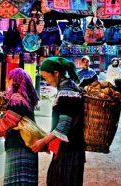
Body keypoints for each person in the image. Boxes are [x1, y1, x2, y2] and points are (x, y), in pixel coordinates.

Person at [31, 57, 85, 186]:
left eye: (46, 77)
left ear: (56, 73)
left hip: (69, 150)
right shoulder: (68, 88)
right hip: (68, 148)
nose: (46, 81)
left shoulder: (67, 92)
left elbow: (64, 125)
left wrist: (43, 141)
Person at [0, 68, 39, 186]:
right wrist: (1, 132)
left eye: (8, 80)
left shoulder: (16, 98)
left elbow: (9, 122)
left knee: (17, 182)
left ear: (14, 81)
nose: (7, 83)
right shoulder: (26, 99)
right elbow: (17, 123)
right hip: (26, 146)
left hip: (19, 147)